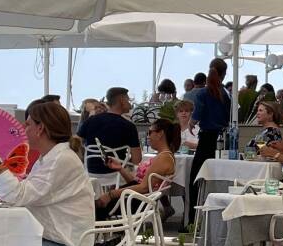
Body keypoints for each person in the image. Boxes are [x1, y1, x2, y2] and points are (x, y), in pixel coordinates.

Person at [0, 102, 95, 246]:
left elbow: (16, 195)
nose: (23, 128)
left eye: (28, 124)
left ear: (40, 128)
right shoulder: (51, 157)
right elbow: (23, 194)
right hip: (55, 235)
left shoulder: (60, 159)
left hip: (62, 242)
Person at [95, 118, 179, 220]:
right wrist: (120, 168)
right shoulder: (163, 156)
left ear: (160, 134)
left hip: (135, 200)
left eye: (150, 132)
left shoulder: (164, 158)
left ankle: (94, 229)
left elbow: (143, 188)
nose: (148, 136)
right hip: (134, 197)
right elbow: (137, 183)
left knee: (92, 206)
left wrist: (111, 194)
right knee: (92, 204)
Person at [188, 58, 231, 225]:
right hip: (222, 140)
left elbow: (197, 115)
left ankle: (192, 220)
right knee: (218, 179)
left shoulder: (202, 93)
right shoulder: (226, 95)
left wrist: (191, 123)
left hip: (206, 139)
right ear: (224, 74)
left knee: (196, 179)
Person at [77, 87, 141, 174]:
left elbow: (75, 144)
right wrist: (126, 160)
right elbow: (137, 160)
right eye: (128, 100)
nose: (130, 104)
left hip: (90, 173)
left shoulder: (90, 120)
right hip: (116, 174)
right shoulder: (129, 126)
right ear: (121, 101)